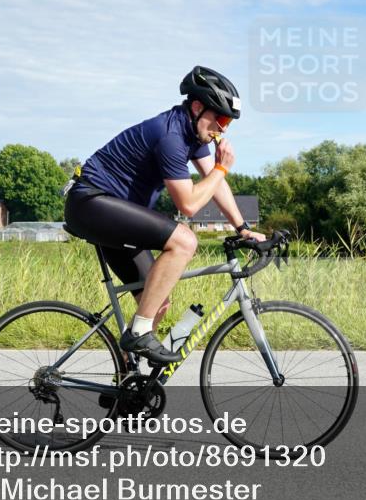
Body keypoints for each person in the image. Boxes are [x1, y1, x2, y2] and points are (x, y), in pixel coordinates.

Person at [64, 66, 266, 363]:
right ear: (197, 107)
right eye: (220, 119)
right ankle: (138, 334)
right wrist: (223, 167)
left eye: (228, 123)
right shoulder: (170, 136)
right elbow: (189, 204)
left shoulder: (191, 134)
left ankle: (126, 384)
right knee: (184, 241)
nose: (222, 129)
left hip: (110, 211)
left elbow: (214, 182)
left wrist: (243, 227)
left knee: (156, 302)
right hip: (91, 203)